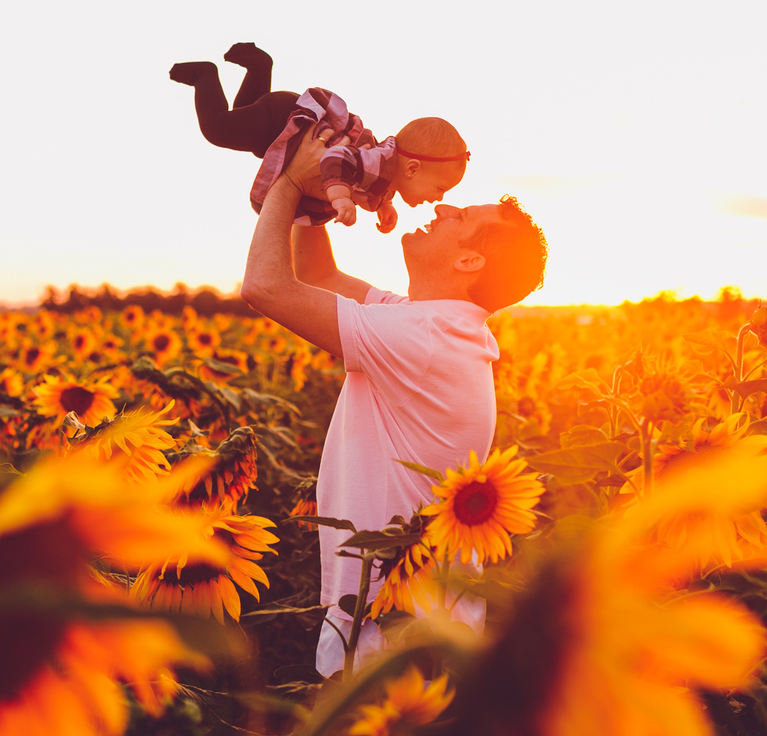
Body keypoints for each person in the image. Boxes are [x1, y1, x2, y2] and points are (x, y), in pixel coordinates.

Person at [240, 125, 548, 676]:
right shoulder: (428, 322)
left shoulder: (425, 338)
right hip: (407, 626)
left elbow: (267, 287)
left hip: (398, 646)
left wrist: (285, 180)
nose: (446, 208)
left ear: (471, 263)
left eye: (463, 218)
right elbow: (320, 274)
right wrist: (315, 197)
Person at [171, 43, 470, 234]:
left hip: (281, 122)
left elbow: (373, 183)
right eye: (441, 188)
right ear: (413, 168)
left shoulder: (386, 171)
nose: (440, 198)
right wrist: (339, 197)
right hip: (283, 120)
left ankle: (260, 67)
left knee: (242, 118)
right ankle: (204, 75)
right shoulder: (376, 162)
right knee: (217, 128)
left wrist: (384, 207)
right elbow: (337, 158)